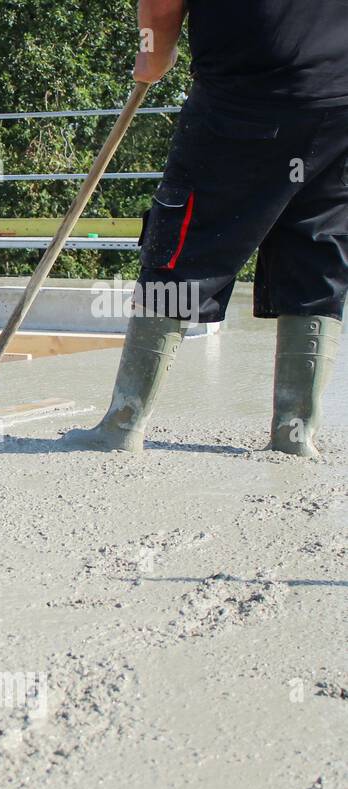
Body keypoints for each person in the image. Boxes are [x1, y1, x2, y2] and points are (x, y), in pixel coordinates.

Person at [63, 0, 348, 457]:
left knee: (181, 250)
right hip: (338, 107)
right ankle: (296, 436)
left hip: (244, 105)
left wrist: (151, 57)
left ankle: (123, 424)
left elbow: (159, 8)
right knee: (317, 250)